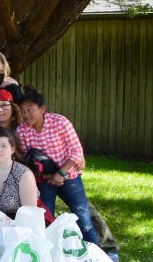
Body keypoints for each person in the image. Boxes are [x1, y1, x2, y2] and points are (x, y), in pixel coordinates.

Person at [16, 89, 98, 244]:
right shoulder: (21, 131)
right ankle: (48, 251)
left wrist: (61, 173)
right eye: (23, 111)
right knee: (44, 215)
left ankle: (95, 251)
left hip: (69, 175)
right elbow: (24, 159)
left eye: (30, 110)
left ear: (43, 109)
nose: (26, 114)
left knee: (82, 214)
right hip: (43, 179)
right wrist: (44, 175)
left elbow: (76, 150)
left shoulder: (60, 122)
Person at [0, 128, 40, 220]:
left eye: (4, 146)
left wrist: (8, 223)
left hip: (20, 224)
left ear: (12, 149)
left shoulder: (24, 174)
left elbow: (29, 213)